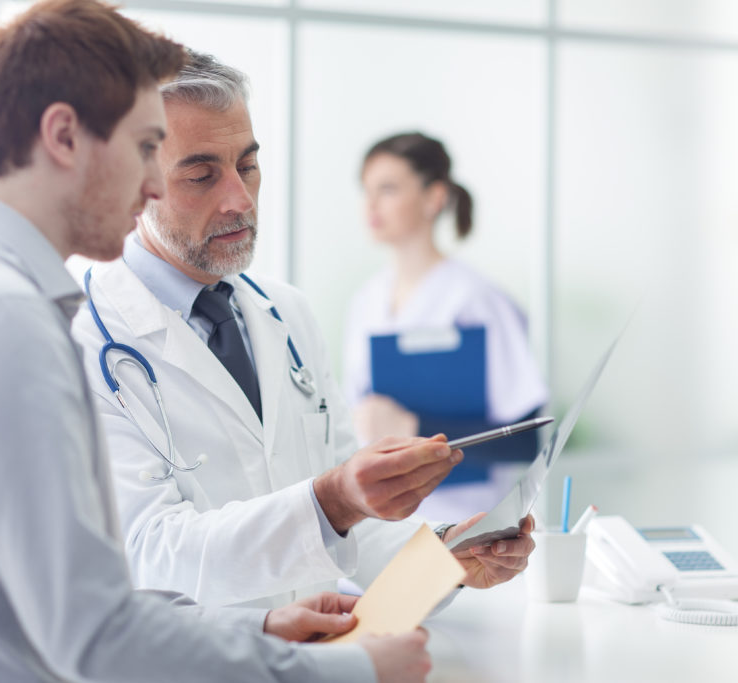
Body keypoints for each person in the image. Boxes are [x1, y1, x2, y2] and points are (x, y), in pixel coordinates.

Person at [0, 3, 432, 681]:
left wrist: (257, 626)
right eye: (145, 148)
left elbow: (65, 601)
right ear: (64, 136)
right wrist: (346, 673)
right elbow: (95, 635)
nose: (151, 184)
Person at [72, 50, 534, 612]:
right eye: (200, 175)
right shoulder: (80, 342)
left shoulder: (287, 315)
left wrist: (446, 560)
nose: (240, 200)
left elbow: (354, 529)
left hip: (316, 662)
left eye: (247, 166)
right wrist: (331, 502)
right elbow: (148, 553)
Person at [343, 132, 549, 522]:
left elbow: (525, 440)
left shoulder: (477, 300)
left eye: (387, 189)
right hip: (380, 523)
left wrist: (413, 427)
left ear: (433, 198)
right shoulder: (365, 302)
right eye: (366, 190)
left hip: (465, 523)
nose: (370, 204)